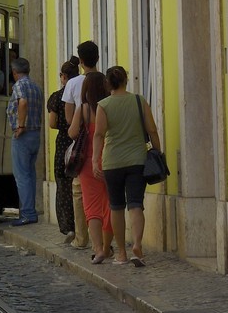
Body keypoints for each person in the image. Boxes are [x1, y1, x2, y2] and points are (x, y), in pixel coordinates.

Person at [92, 64, 163, 268]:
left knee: (116, 206)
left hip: (112, 162)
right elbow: (152, 130)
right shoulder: (139, 101)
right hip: (137, 160)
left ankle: (121, 253)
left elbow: (99, 134)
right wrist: (157, 151)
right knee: (135, 204)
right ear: (126, 80)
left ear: (108, 84)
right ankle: (137, 246)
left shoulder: (103, 105)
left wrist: (94, 159)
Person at [72, 70, 115, 263]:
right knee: (112, 205)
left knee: (92, 207)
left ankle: (98, 249)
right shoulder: (109, 106)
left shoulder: (84, 109)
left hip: (89, 163)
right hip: (112, 159)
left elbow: (72, 133)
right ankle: (108, 246)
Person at [62, 39, 99, 249]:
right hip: (104, 140)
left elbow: (69, 120)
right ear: (97, 58)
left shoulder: (73, 83)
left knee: (79, 191)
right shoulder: (106, 79)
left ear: (81, 61)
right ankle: (103, 241)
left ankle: (81, 238)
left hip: (82, 141)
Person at [6, 55, 43, 225]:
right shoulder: (36, 87)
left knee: (21, 175)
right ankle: (31, 210)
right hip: (35, 134)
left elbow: (23, 103)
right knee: (30, 174)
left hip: (24, 134)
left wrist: (20, 126)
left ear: (14, 72)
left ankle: (27, 213)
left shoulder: (19, 85)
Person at [47, 59, 79, 239]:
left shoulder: (56, 97)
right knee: (79, 186)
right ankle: (83, 227)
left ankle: (69, 227)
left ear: (64, 77)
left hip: (63, 144)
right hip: (80, 142)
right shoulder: (80, 94)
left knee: (63, 186)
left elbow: (52, 123)